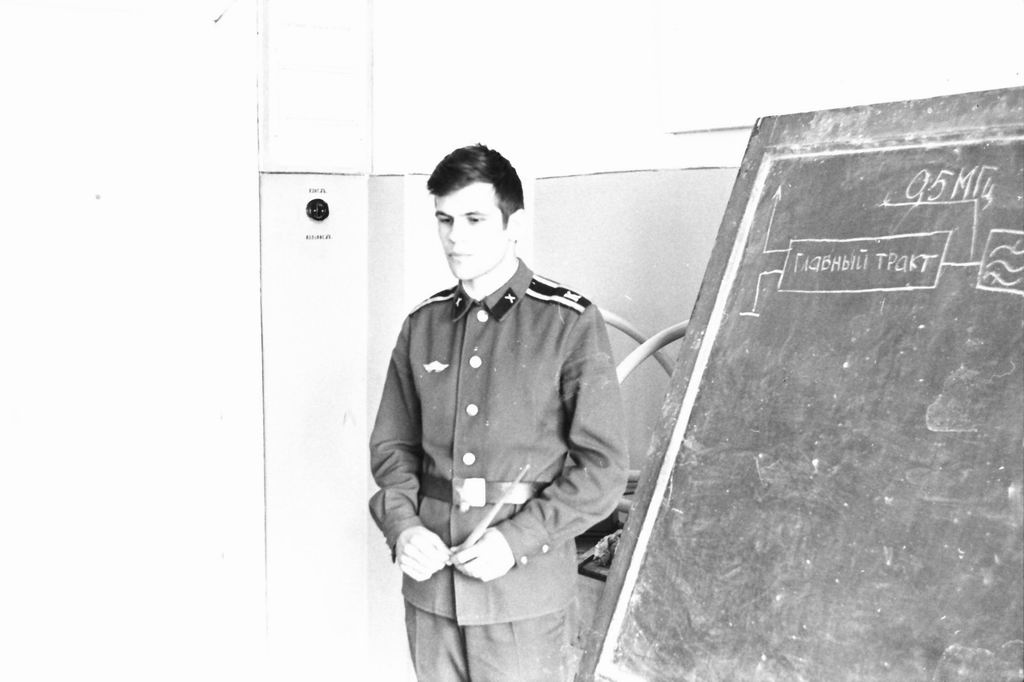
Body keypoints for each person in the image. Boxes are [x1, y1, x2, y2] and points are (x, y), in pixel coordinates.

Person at [368, 143, 627, 681]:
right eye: (445, 220)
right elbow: (394, 451)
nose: (455, 237)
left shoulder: (567, 322)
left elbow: (602, 471)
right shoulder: (423, 325)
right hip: (433, 593)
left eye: (474, 219)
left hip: (523, 598)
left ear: (515, 225)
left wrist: (515, 542)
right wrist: (404, 528)